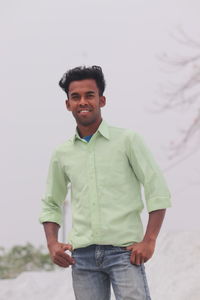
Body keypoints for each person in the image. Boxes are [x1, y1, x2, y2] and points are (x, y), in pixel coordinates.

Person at [39, 65, 171, 300]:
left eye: (89, 95)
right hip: (83, 258)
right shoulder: (62, 153)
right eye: (75, 97)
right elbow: (51, 202)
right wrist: (52, 243)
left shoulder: (128, 141)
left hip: (125, 253)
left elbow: (157, 190)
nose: (83, 102)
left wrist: (149, 241)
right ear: (68, 104)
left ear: (102, 100)